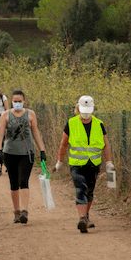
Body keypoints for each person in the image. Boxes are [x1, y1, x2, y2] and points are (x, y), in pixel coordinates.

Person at [54, 95, 114, 233]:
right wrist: (60, 161)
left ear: (93, 110)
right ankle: (82, 217)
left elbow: (106, 144)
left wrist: (109, 162)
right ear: (77, 108)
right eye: (83, 109)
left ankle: (86, 216)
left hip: (94, 164)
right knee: (81, 188)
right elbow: (63, 144)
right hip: (76, 164)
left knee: (90, 191)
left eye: (88, 109)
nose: (86, 112)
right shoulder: (71, 123)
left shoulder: (99, 124)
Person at [0, 90, 46, 224]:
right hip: (9, 153)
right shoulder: (5, 115)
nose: (17, 103)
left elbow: (35, 133)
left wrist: (42, 150)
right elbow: (0, 134)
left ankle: (24, 211)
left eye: (19, 101)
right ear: (11, 101)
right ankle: (16, 211)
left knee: (24, 181)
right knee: (13, 183)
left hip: (26, 153)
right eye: (15, 101)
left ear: (24, 101)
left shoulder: (31, 114)